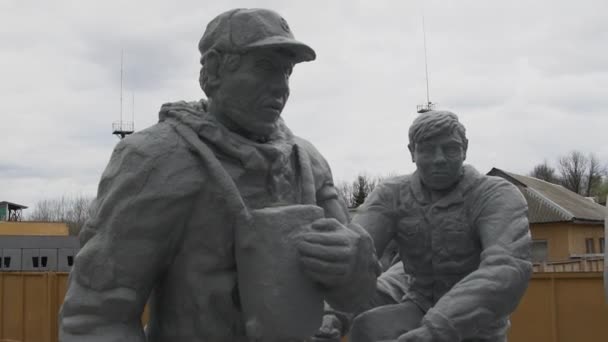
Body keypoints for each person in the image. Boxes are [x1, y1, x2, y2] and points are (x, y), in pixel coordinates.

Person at [59, 8, 379, 342]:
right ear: (213, 72)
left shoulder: (307, 161)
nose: (280, 88)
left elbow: (354, 297)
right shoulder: (156, 159)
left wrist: (351, 270)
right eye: (264, 68)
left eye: (286, 72)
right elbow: (94, 317)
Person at [349, 111, 533, 342]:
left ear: (465, 148)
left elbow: (507, 269)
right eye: (426, 149)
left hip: (478, 326)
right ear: (412, 152)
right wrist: (331, 314)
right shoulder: (392, 195)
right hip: (419, 307)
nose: (439, 159)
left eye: (450, 148)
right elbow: (354, 253)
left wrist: (436, 331)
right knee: (369, 328)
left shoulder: (495, 195)